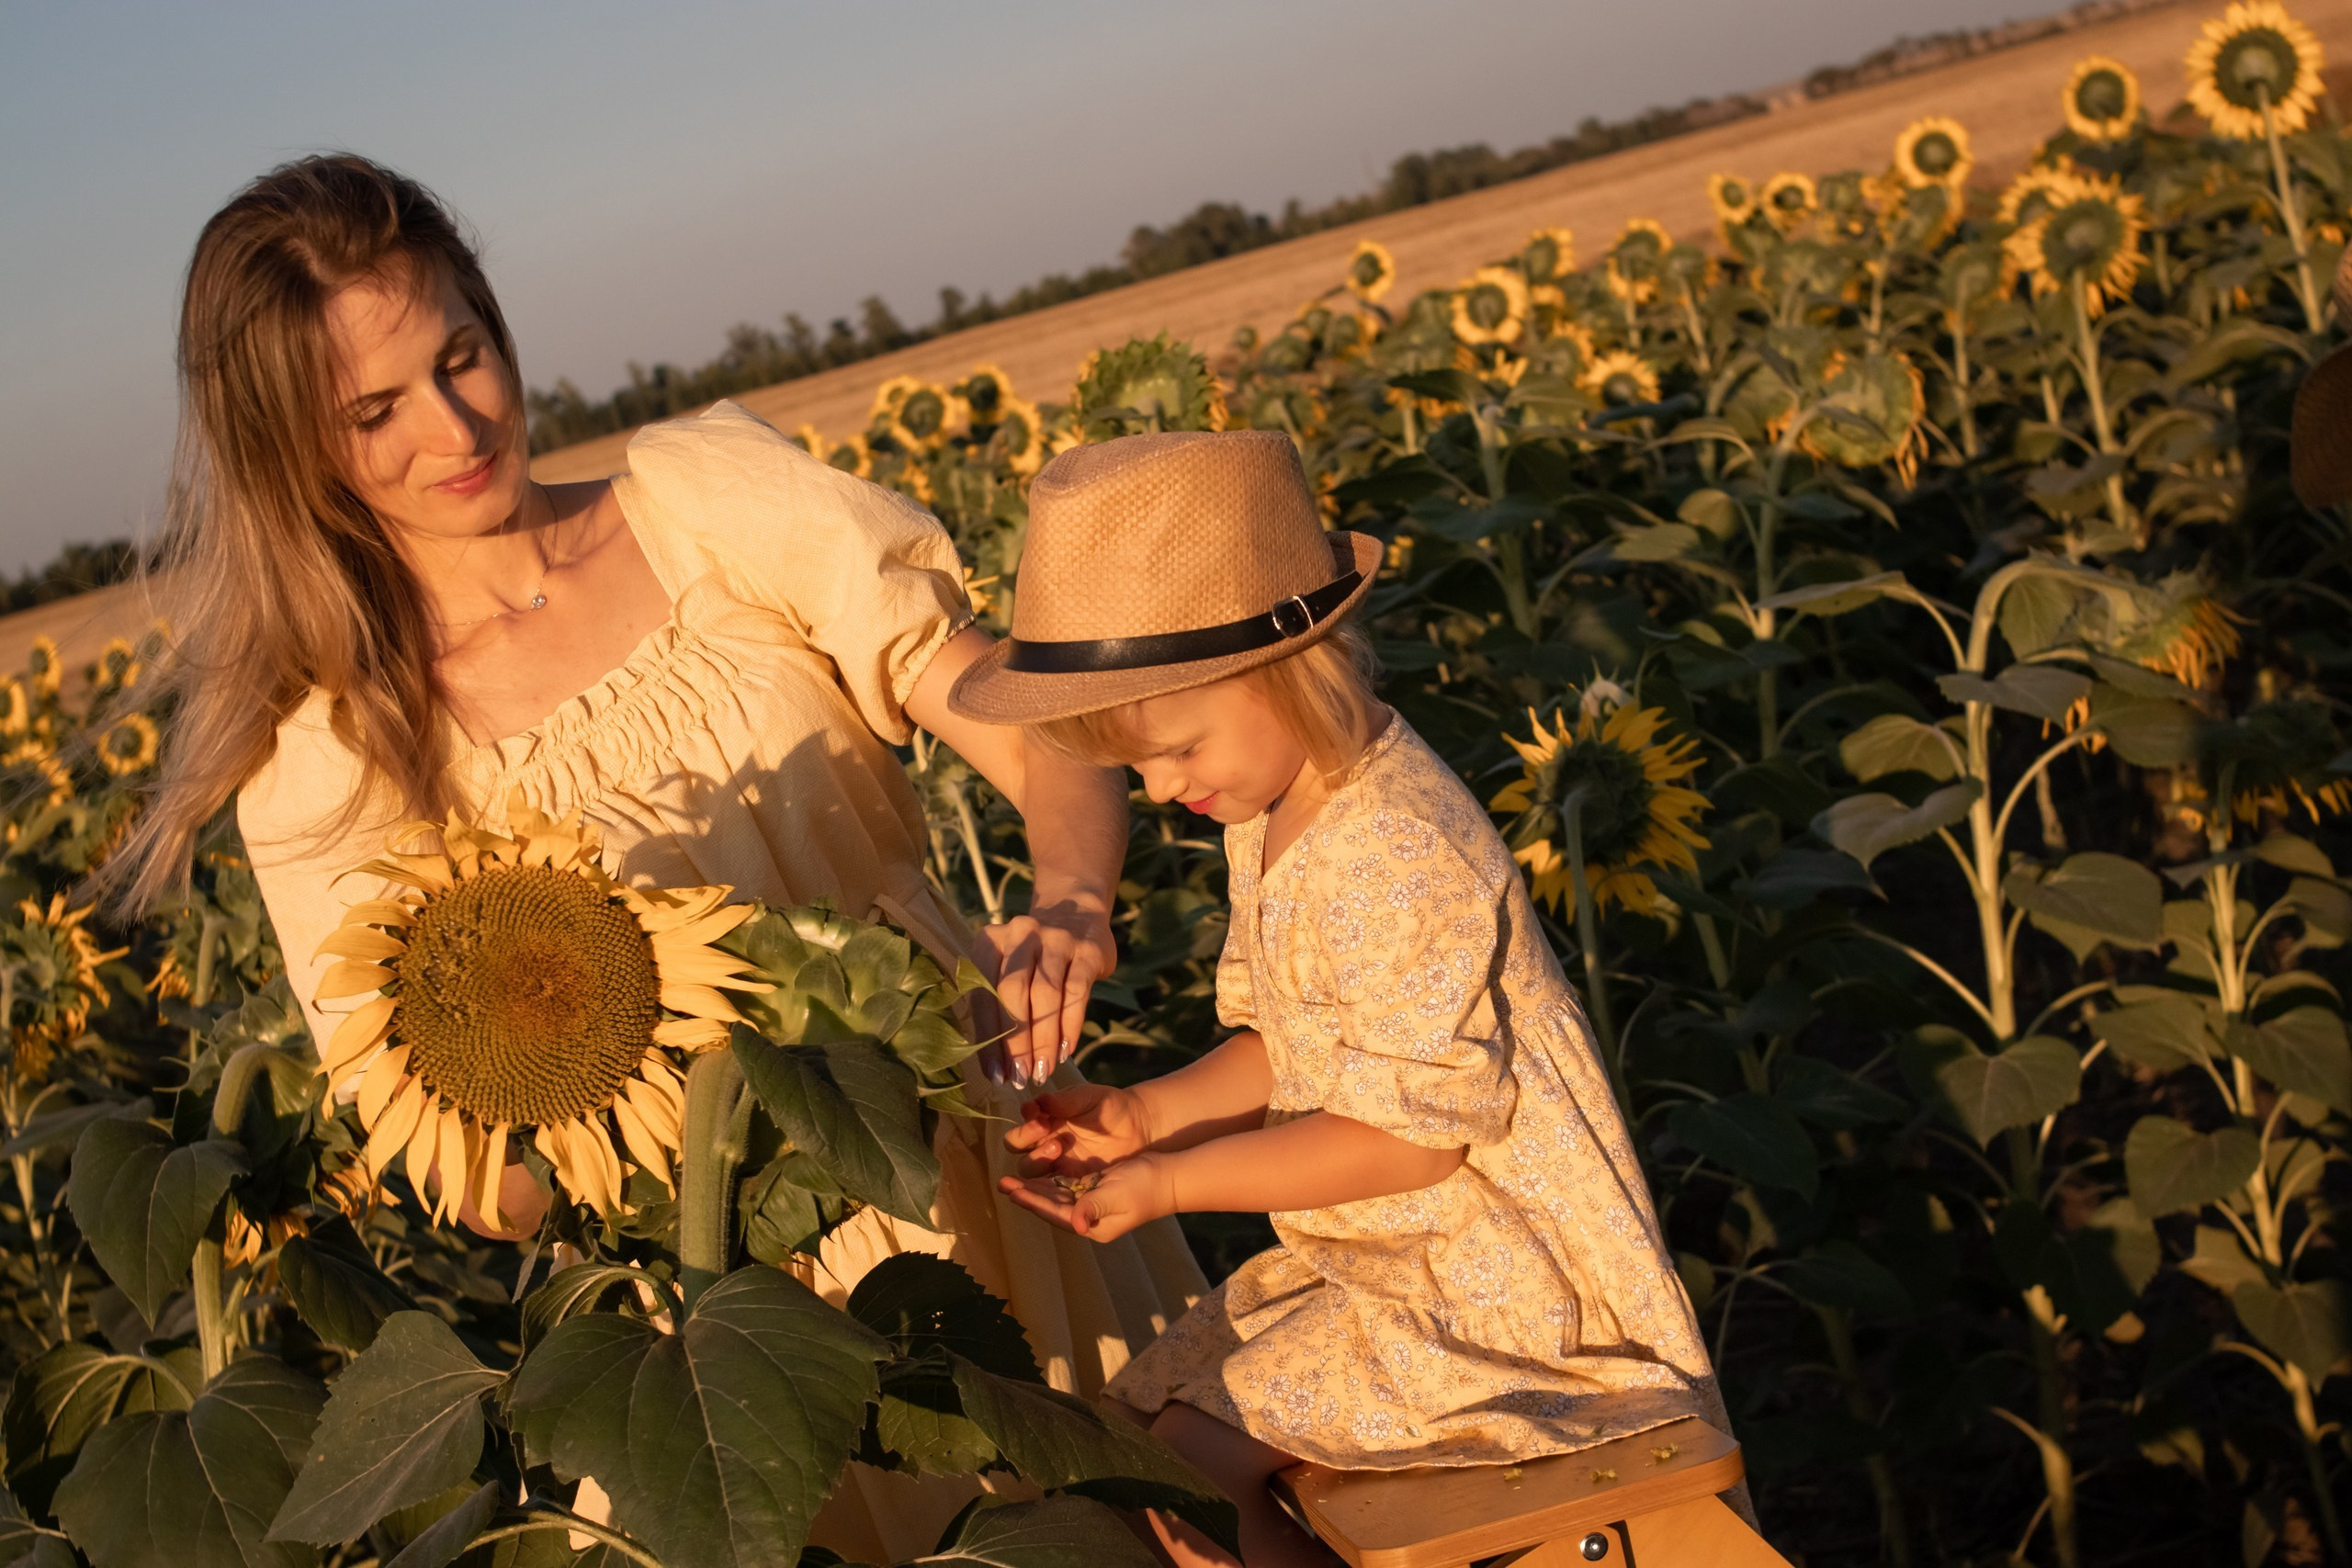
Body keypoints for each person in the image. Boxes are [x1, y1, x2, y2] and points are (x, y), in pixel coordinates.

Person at [99, 153, 1203, 1560]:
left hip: (987, 1160)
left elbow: (1040, 726)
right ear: (293, 450)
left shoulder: (705, 504)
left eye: (462, 354)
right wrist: (600, 1074)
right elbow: (471, 1175)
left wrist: (1073, 899)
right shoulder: (331, 751)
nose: (456, 423)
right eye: (375, 410)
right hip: (720, 1321)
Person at [948, 431, 1729, 1568]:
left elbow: (1406, 1145)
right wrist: (1148, 1115)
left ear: (1283, 665)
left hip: (1506, 1291)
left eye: (1172, 749)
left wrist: (1171, 1182)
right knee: (1146, 1450)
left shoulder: (1394, 847)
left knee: (1188, 1481)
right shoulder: (1277, 806)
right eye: (1139, 770)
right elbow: (1295, 1046)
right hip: (1402, 1260)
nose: (1163, 791)